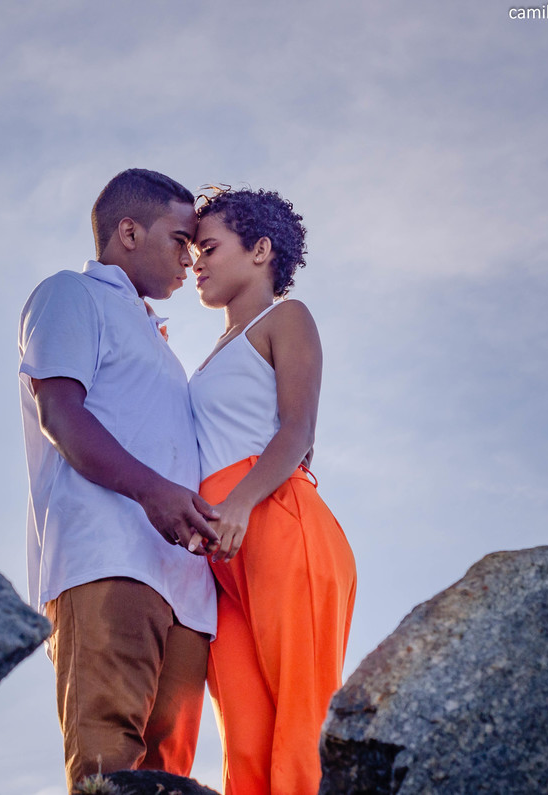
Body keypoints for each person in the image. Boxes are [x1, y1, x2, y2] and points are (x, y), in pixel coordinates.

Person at [17, 168, 221, 790]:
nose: (190, 258)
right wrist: (153, 492)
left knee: (167, 780)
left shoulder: (161, 343)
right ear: (128, 233)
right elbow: (61, 414)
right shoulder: (71, 294)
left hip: (186, 590)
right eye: (181, 240)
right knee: (106, 769)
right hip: (107, 560)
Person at [186, 187, 358, 795]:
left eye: (209, 248)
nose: (196, 263)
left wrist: (239, 502)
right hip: (223, 551)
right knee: (246, 735)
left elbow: (298, 430)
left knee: (301, 725)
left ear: (260, 250)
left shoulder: (286, 318)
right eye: (192, 252)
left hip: (278, 523)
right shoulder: (210, 356)